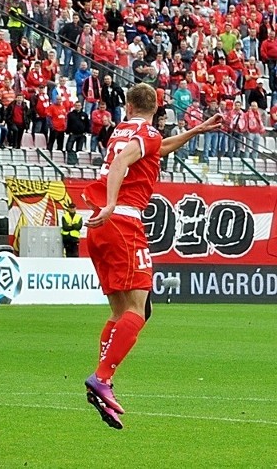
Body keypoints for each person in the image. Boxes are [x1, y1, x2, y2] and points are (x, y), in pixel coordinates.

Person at [81, 83, 222, 430]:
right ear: (157, 108)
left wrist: (198, 129)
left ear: (128, 106)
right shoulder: (144, 132)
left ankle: (103, 381)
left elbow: (156, 149)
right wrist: (113, 204)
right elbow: (122, 163)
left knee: (119, 311)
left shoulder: (124, 129)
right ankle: (101, 377)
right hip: (123, 222)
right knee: (139, 309)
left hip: (100, 227)